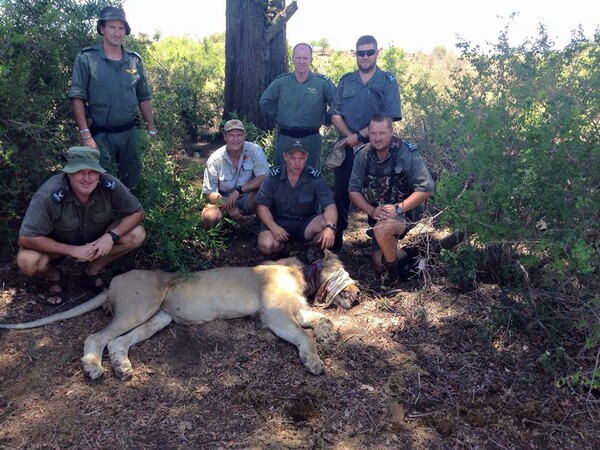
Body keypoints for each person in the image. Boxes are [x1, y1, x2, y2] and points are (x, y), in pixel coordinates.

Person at [16, 147, 146, 306]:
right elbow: (26, 238)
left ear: (98, 173)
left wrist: (111, 236)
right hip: (57, 245)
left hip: (96, 241)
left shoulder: (109, 184)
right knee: (27, 261)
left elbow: (137, 212)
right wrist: (72, 250)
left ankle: (91, 271)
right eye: (80, 172)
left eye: (92, 172)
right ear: (68, 173)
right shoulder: (49, 194)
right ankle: (55, 277)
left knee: (136, 234)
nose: (87, 178)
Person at [69, 6, 156, 189]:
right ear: (102, 29)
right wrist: (85, 135)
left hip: (129, 134)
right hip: (100, 135)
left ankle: (131, 215)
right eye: (112, 27)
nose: (117, 33)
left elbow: (144, 97)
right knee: (99, 183)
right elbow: (77, 97)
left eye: (121, 28)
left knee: (132, 182)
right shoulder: (87, 58)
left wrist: (151, 128)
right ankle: (104, 217)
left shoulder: (134, 60)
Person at [329, 35, 402, 253]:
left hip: (377, 149)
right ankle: (337, 238)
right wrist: (350, 137)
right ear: (356, 54)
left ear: (377, 53)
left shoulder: (387, 81)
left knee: (380, 193)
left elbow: (389, 117)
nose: (365, 56)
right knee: (342, 192)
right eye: (361, 52)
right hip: (347, 149)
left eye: (370, 52)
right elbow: (335, 114)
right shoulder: (346, 81)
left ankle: (379, 237)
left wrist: (360, 137)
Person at [348, 115, 434, 283]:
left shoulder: (406, 153)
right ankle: (414, 251)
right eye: (373, 133)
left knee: (383, 229)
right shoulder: (363, 155)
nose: (377, 138)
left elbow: (426, 188)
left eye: (382, 133)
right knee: (378, 263)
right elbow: (353, 191)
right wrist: (371, 211)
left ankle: (392, 278)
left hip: (406, 212)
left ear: (392, 132)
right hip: (378, 215)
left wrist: (398, 209)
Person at [259, 43, 336, 169]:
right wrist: (280, 116)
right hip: (285, 137)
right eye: (298, 58)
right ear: (292, 59)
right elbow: (265, 101)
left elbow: (336, 106)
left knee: (311, 177)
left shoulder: (322, 83)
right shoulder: (281, 82)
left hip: (311, 138)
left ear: (311, 60)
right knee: (283, 175)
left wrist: (325, 119)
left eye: (305, 58)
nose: (301, 61)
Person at [255, 140, 338, 257]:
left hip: (305, 224)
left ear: (307, 157)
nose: (297, 163)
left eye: (301, 158)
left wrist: (331, 228)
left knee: (328, 224)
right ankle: (283, 247)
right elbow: (262, 206)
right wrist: (273, 227)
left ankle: (313, 248)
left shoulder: (315, 177)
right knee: (265, 245)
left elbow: (329, 206)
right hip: (278, 222)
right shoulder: (273, 177)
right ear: (285, 156)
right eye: (293, 158)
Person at [201, 119, 269, 229]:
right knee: (209, 217)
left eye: (239, 135)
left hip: (248, 198)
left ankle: (257, 224)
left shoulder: (255, 150)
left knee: (264, 192)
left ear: (244, 136)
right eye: (231, 135)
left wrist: (239, 190)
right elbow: (210, 191)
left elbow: (263, 178)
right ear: (225, 137)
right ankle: (225, 227)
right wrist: (228, 207)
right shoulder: (214, 159)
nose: (236, 139)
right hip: (224, 201)